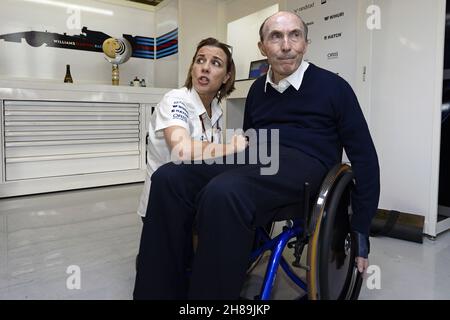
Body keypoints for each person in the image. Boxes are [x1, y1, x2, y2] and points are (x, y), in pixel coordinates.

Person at [133, 11, 380, 300]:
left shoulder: (334, 87)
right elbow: (248, 147)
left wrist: (361, 226)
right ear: (262, 47)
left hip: (308, 165)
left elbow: (364, 156)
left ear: (306, 43)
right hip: (260, 156)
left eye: (294, 35)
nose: (286, 45)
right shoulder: (258, 92)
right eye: (276, 36)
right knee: (170, 177)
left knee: (225, 191)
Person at [136, 37, 247, 218]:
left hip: (194, 201)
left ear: (226, 77)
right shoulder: (175, 99)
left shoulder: (216, 109)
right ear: (192, 68)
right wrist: (232, 148)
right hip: (164, 205)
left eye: (216, 63)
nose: (205, 67)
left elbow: (208, 154)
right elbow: (182, 151)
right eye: (200, 60)